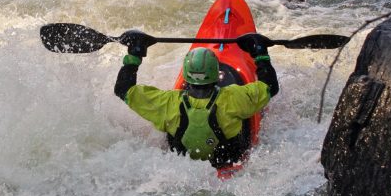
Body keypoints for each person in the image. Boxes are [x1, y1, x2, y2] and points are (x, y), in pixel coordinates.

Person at [114, 35, 279, 168]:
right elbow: (270, 86)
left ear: (185, 74)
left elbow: (123, 89)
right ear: (215, 72)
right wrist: (260, 53)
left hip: (185, 170)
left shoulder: (167, 102)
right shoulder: (234, 98)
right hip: (228, 167)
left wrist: (135, 53)